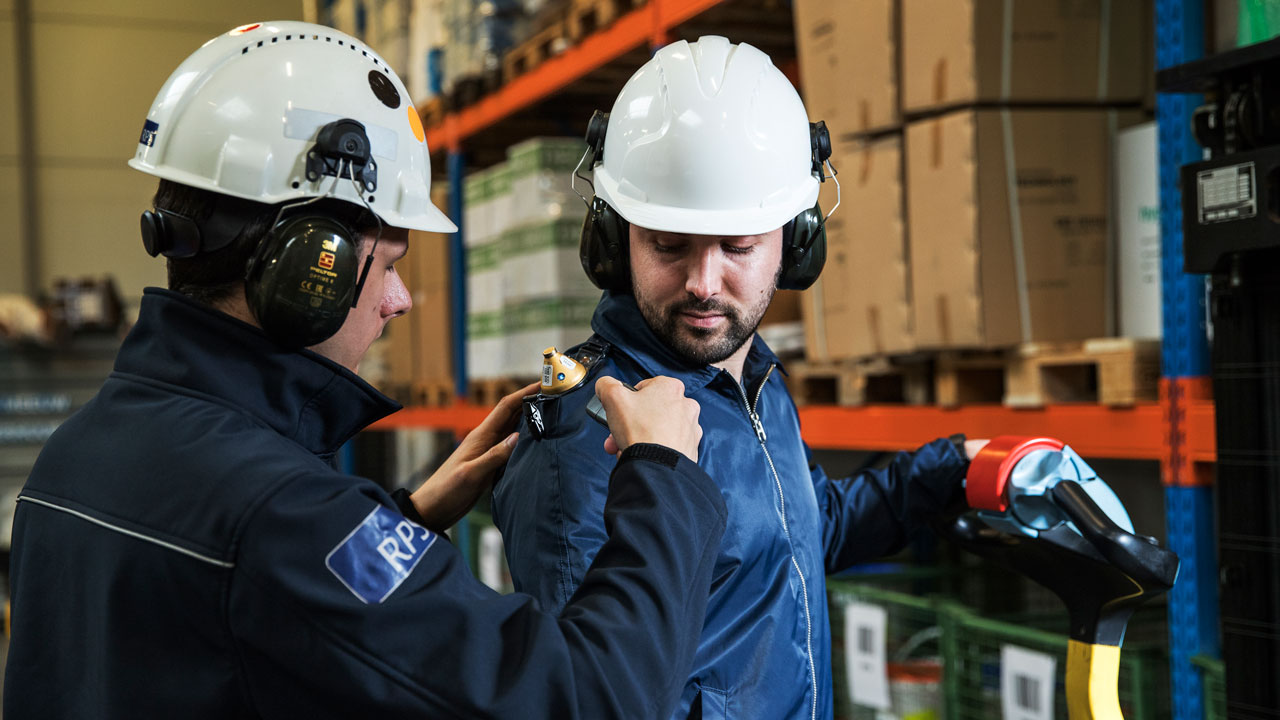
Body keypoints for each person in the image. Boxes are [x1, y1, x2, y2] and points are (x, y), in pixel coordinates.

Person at [4, 21, 728, 719]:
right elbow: (591, 701)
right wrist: (662, 476)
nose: (400, 301)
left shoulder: (76, 454)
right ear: (308, 269)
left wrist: (400, 525)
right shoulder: (285, 519)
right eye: (387, 265)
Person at [494, 36, 988, 719]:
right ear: (613, 239)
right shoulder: (585, 432)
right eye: (667, 245)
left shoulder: (752, 380)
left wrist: (948, 472)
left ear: (798, 238)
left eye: (738, 246)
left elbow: (796, 536)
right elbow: (585, 698)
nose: (702, 283)